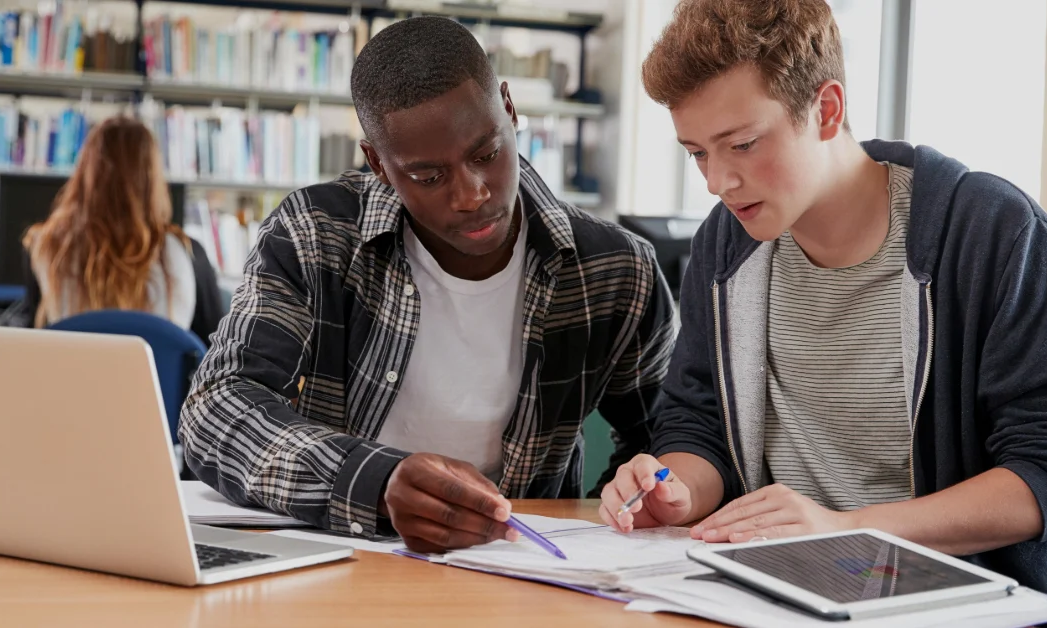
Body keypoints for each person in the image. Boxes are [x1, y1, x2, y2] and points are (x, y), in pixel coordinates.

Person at [598, 0, 1047, 598]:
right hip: (775, 592)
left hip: (951, 602)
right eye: (697, 153)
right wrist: (673, 489)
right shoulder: (726, 242)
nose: (717, 182)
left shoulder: (990, 229)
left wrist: (846, 531)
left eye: (741, 144)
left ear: (826, 109)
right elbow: (700, 423)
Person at [179, 16, 676, 554]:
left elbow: (671, 437)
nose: (471, 194)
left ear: (508, 109)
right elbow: (217, 408)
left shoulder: (615, 268)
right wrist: (375, 483)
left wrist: (616, 522)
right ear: (378, 164)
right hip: (347, 558)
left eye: (486, 153)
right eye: (428, 177)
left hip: (526, 566)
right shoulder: (316, 234)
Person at [22, 117, 223, 344]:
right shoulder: (187, 255)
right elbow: (222, 355)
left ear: (86, 173)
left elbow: (34, 345)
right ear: (153, 178)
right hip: (161, 381)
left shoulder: (48, 249)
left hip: (72, 379)